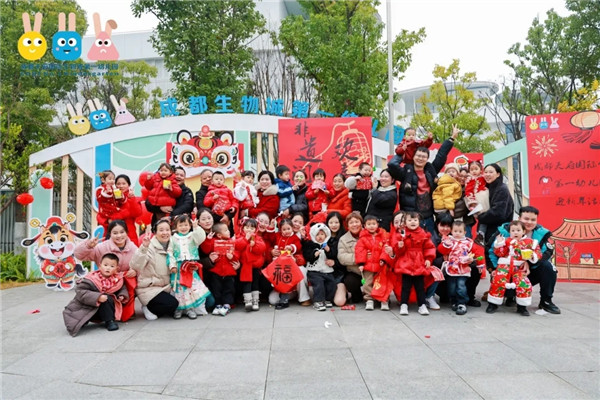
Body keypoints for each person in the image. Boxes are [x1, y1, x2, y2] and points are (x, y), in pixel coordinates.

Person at [489, 206, 561, 314]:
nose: (529, 222)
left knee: (549, 267)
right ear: (519, 218)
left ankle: (546, 301)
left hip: (526, 272)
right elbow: (491, 251)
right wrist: (493, 269)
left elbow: (545, 253)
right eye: (526, 219)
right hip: (504, 270)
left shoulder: (540, 234)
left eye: (533, 220)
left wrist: (528, 261)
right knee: (499, 282)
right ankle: (506, 298)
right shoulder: (504, 232)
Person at [388, 125, 459, 234]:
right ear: (413, 157)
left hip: (428, 217)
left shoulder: (431, 170)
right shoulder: (406, 172)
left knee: (430, 242)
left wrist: (452, 138)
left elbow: (441, 155)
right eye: (418, 156)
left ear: (427, 159)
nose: (420, 159)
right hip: (411, 218)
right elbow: (392, 165)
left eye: (423, 157)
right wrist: (402, 152)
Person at [74, 220, 138, 322]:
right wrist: (88, 246)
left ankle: (125, 309)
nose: (119, 236)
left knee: (133, 283)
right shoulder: (102, 247)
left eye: (122, 232)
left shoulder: (133, 248)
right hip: (104, 283)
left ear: (127, 232)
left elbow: (140, 264)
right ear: (110, 234)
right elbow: (79, 255)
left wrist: (135, 270)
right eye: (115, 233)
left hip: (123, 284)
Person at [63, 253, 128, 336]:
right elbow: (80, 291)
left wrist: (122, 295)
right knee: (80, 317)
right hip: (88, 306)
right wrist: (97, 297)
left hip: (105, 308)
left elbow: (122, 288)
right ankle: (84, 320)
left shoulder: (117, 279)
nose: (108, 268)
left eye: (112, 266)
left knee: (107, 298)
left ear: (116, 269)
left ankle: (109, 321)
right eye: (105, 265)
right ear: (100, 266)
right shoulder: (92, 278)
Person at [487, 220, 541, 316]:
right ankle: (493, 304)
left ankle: (522, 306)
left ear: (524, 231)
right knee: (498, 281)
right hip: (504, 266)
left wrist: (532, 255)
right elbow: (499, 253)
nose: (515, 232)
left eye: (518, 230)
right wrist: (499, 244)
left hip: (519, 267)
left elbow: (538, 253)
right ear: (509, 232)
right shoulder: (506, 241)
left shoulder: (530, 242)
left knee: (524, 283)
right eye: (513, 230)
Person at [129, 218, 179, 320]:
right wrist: (144, 248)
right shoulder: (149, 246)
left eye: (167, 230)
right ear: (155, 232)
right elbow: (136, 265)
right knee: (172, 304)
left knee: (183, 305)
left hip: (167, 287)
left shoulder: (173, 245)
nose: (165, 233)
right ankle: (148, 307)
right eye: (161, 230)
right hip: (150, 288)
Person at [392, 212, 436, 316]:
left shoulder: (424, 234)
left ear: (419, 222)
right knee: (405, 286)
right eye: (410, 220)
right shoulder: (401, 234)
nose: (413, 222)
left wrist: (428, 259)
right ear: (405, 222)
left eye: (415, 220)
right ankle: (404, 304)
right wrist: (400, 246)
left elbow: (429, 247)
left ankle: (422, 305)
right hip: (405, 262)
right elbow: (397, 252)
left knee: (420, 286)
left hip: (419, 262)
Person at [437, 221, 485, 315]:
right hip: (451, 269)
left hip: (463, 269)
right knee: (451, 287)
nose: (457, 233)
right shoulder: (449, 241)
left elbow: (478, 253)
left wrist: (480, 264)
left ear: (464, 232)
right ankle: (454, 300)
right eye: (455, 231)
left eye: (460, 231)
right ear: (452, 231)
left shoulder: (469, 242)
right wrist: (446, 245)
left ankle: (462, 302)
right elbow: (441, 250)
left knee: (461, 286)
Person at [168, 214, 210, 319]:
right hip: (178, 268)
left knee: (190, 288)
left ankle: (190, 309)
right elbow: (170, 253)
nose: (183, 227)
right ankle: (179, 308)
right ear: (176, 227)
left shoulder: (192, 236)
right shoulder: (173, 239)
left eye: (186, 225)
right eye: (181, 225)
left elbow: (201, 238)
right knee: (179, 289)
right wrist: (172, 265)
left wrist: (196, 227)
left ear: (190, 225)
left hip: (190, 267)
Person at [475, 163, 514, 253]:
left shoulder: (502, 189)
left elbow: (498, 213)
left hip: (498, 231)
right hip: (488, 230)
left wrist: (480, 217)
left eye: (491, 172)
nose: (487, 174)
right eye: (485, 172)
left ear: (498, 174)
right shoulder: (487, 188)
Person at [203, 222, 239, 316]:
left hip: (229, 271)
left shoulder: (231, 241)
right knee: (216, 289)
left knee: (229, 288)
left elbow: (237, 254)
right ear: (219, 235)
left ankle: (227, 304)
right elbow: (206, 249)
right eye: (226, 230)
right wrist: (208, 240)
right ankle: (218, 304)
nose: (229, 232)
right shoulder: (213, 241)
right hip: (216, 271)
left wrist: (232, 257)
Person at [355, 215, 389, 310]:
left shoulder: (382, 236)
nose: (371, 226)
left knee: (382, 282)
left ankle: (383, 299)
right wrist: (361, 263)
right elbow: (359, 251)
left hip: (380, 265)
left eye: (373, 224)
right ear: (364, 226)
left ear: (377, 225)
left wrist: (383, 259)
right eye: (369, 224)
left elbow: (385, 249)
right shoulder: (362, 238)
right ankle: (369, 299)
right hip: (368, 265)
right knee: (367, 283)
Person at [303, 223, 337, 311]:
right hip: (314, 270)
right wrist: (314, 254)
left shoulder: (329, 244)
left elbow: (334, 255)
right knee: (319, 284)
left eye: (322, 234)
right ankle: (318, 301)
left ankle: (327, 299)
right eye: (317, 234)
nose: (320, 236)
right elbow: (307, 256)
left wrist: (328, 250)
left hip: (327, 270)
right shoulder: (310, 244)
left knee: (332, 283)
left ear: (326, 235)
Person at [236, 218, 267, 311]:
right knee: (246, 282)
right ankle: (247, 301)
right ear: (243, 228)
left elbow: (262, 248)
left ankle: (255, 300)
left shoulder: (258, 238)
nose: (249, 230)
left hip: (255, 265)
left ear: (256, 230)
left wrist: (254, 245)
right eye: (247, 227)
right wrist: (245, 239)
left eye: (252, 228)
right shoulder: (239, 237)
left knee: (255, 282)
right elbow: (237, 246)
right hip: (245, 265)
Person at [336, 212, 364, 304]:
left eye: (357, 222)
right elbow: (342, 257)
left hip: (371, 269)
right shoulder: (343, 239)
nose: (354, 225)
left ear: (361, 223)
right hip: (355, 271)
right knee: (350, 281)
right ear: (347, 225)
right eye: (351, 222)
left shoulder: (369, 234)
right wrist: (360, 258)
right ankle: (357, 295)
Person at [324, 212, 348, 306]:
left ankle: (345, 290)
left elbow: (346, 260)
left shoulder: (345, 237)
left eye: (336, 222)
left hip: (339, 272)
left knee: (339, 302)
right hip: (325, 272)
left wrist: (335, 263)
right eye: (331, 222)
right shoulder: (322, 235)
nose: (334, 225)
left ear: (340, 223)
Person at [112, 174, 142, 244]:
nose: (121, 186)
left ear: (128, 185)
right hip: (114, 231)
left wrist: (131, 199)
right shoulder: (111, 198)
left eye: (124, 183)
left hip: (129, 231)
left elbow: (137, 213)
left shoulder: (132, 198)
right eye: (118, 184)